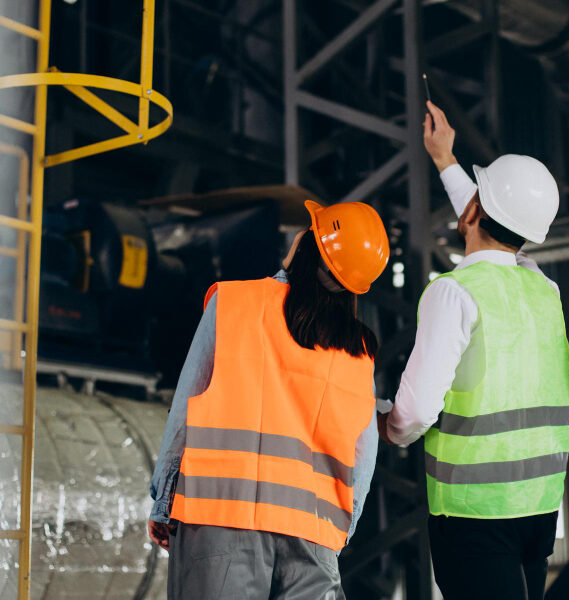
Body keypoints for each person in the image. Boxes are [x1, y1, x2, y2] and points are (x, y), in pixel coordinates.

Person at [379, 101, 569, 600]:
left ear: (472, 212)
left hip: (473, 514)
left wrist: (386, 425)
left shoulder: (454, 293)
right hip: (539, 506)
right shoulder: (543, 290)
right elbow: (498, 227)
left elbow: (413, 415)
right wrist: (444, 159)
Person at [147, 199, 390, 600]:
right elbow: (363, 458)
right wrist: (338, 535)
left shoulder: (234, 303)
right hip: (312, 538)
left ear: (307, 244)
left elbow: (186, 408)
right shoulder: (358, 350)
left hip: (219, 519)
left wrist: (164, 501)